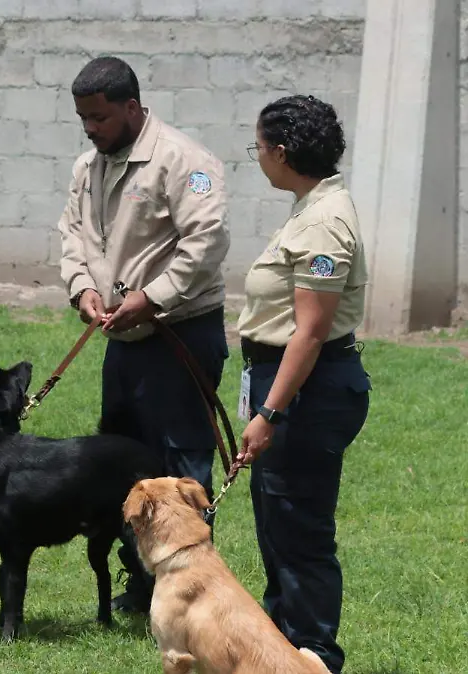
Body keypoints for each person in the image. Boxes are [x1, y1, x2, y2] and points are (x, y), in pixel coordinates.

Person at [56, 56, 231, 613]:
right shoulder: (90, 166)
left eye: (99, 117)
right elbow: (73, 235)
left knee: (181, 467)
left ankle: (190, 590)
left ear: (131, 107)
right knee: (129, 463)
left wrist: (151, 298)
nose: (90, 128)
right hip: (124, 343)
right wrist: (83, 287)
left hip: (179, 335)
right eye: (83, 117)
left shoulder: (186, 161)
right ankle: (142, 580)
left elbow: (205, 243)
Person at [236, 94, 371, 674]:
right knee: (278, 525)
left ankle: (316, 655)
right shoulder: (308, 205)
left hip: (306, 390)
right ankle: (281, 653)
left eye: (259, 148)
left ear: (283, 152)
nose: (259, 158)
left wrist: (270, 411)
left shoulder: (323, 222)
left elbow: (310, 333)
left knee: (299, 530)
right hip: (289, 382)